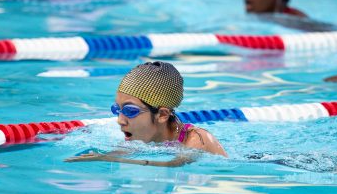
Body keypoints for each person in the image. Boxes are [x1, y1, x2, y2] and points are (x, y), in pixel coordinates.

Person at [65, 61, 228, 167]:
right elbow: (122, 152)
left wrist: (111, 159)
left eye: (130, 111)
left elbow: (171, 166)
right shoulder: (139, 136)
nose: (120, 120)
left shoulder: (197, 140)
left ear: (162, 114)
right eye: (117, 110)